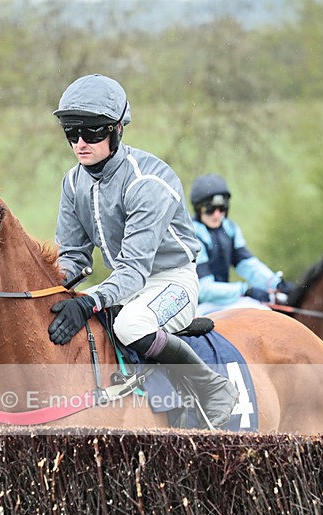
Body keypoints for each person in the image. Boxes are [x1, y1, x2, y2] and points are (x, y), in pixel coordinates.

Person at [47, 74, 238, 428]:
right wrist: (51, 289)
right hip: (124, 284)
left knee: (131, 324)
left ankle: (213, 390)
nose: (80, 144)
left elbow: (134, 272)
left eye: (91, 133)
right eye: (72, 134)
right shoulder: (73, 182)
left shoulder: (147, 181)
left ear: (118, 129)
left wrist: (89, 301)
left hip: (172, 282)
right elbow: (73, 257)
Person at [189, 174, 293, 314]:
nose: (216, 214)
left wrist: (275, 283)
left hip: (226, 299)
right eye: (209, 209)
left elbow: (247, 264)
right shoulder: (191, 235)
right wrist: (245, 290)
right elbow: (204, 289)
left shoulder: (230, 228)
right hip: (198, 305)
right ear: (198, 209)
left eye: (222, 208)